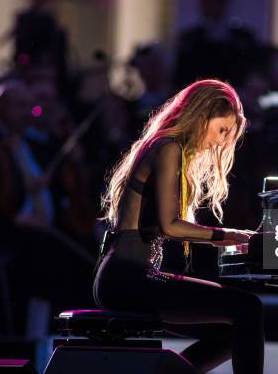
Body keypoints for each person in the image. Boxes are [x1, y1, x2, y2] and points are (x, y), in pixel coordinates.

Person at [94, 79, 264, 374]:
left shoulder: (166, 147)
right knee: (248, 308)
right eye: (222, 130)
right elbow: (170, 226)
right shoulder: (168, 147)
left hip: (129, 277)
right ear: (202, 115)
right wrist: (230, 235)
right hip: (127, 278)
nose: (223, 141)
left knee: (229, 333)